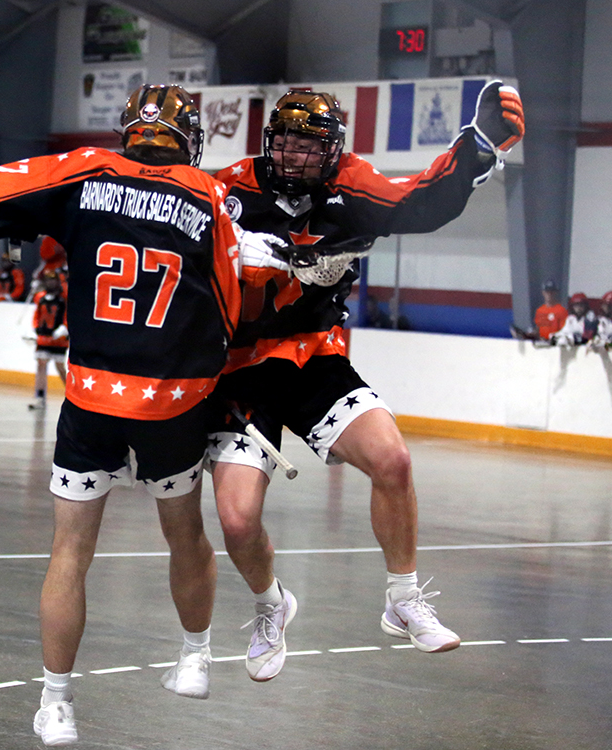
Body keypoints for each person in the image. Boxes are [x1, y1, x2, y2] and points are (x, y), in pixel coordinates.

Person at [0, 83, 288, 746]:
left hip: (91, 401)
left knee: (71, 551)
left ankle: (55, 703)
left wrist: (37, 216)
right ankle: (194, 657)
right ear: (188, 136)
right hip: (173, 404)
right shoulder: (212, 197)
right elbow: (232, 312)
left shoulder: (85, 172)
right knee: (184, 533)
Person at [206, 80, 525, 680]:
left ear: (332, 150)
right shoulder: (227, 188)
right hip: (240, 370)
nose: (295, 154)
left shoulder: (353, 183)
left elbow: (421, 203)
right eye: (286, 142)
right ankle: (271, 605)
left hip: (315, 359)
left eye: (309, 144)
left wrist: (478, 145)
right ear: (268, 141)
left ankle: (402, 600)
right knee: (238, 520)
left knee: (393, 460)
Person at [28, 269, 69, 410]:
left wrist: (64, 328)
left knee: (60, 367)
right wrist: (35, 328)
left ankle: (71, 395)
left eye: (54, 280)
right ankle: (39, 397)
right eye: (48, 280)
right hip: (44, 338)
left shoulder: (64, 297)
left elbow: (68, 314)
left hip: (59, 339)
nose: (51, 282)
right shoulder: (41, 297)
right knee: (41, 365)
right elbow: (37, 315)